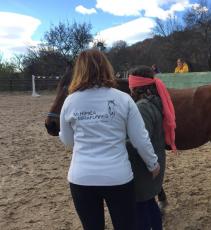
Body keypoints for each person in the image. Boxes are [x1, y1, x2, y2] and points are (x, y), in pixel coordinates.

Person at [59, 49, 160, 230]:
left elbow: (67, 141)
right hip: (117, 177)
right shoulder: (123, 99)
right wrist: (153, 163)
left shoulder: (70, 101)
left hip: (81, 178)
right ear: (106, 67)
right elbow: (140, 139)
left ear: (79, 70)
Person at [127, 65, 176, 230]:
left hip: (144, 168)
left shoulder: (142, 107)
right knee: (150, 204)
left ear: (137, 86)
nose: (130, 89)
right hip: (155, 161)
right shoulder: (156, 101)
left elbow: (140, 140)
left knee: (140, 209)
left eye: (131, 86)